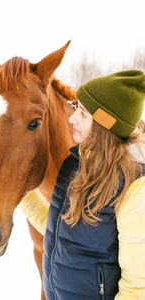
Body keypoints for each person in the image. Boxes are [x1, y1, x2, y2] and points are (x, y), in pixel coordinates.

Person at [20, 70, 145, 299]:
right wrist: (22, 191)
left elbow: (136, 286)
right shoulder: (74, 164)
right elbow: (59, 228)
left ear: (106, 125)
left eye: (83, 113)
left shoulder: (133, 186)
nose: (72, 118)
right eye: (76, 108)